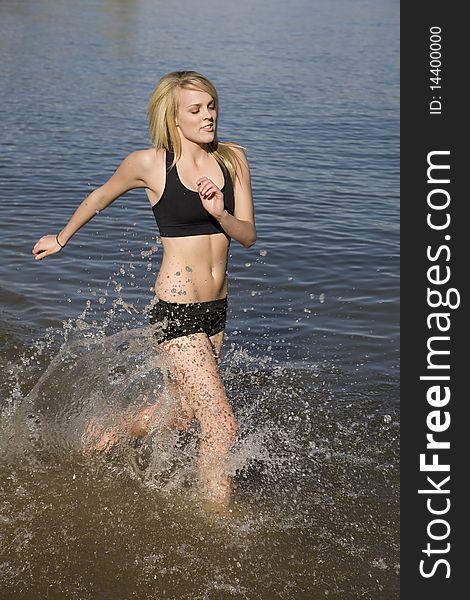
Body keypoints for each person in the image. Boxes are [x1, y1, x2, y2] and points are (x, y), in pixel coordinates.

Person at [32, 70, 256, 508]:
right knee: (221, 424)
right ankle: (219, 524)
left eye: (211, 106)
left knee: (181, 414)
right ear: (173, 118)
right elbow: (100, 195)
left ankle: (106, 430)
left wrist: (219, 211)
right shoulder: (150, 164)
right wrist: (61, 238)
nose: (208, 116)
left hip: (216, 310)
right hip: (177, 310)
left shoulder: (233, 159)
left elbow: (247, 235)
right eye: (195, 109)